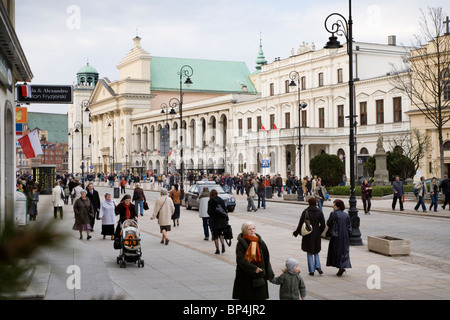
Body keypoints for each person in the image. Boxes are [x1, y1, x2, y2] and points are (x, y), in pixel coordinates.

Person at [232, 222, 274, 300]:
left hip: (259, 275)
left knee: (259, 296)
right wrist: (254, 268)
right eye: (249, 229)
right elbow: (241, 260)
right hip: (245, 276)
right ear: (245, 231)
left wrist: (269, 273)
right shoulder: (241, 243)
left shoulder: (260, 241)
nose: (252, 231)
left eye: (253, 228)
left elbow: (266, 258)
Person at [293, 197, 325, 276]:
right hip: (316, 233)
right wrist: (319, 231)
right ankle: (318, 266)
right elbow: (323, 225)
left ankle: (311, 270)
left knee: (309, 251)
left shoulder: (305, 212)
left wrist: (296, 233)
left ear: (309, 203)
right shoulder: (319, 212)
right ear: (316, 203)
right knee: (316, 250)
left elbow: (300, 224)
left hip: (308, 234)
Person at [326, 199, 352, 276]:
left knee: (336, 251)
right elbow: (349, 227)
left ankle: (340, 266)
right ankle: (342, 266)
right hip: (345, 236)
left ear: (337, 206)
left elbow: (328, 223)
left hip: (336, 235)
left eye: (334, 205)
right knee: (344, 252)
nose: (333, 206)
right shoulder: (346, 215)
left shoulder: (334, 214)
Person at [208, 189, 229, 254]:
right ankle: (223, 244)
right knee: (220, 233)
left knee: (215, 235)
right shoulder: (220, 200)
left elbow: (209, 212)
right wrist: (227, 219)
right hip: (222, 220)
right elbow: (225, 210)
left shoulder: (210, 201)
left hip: (215, 220)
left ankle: (217, 249)